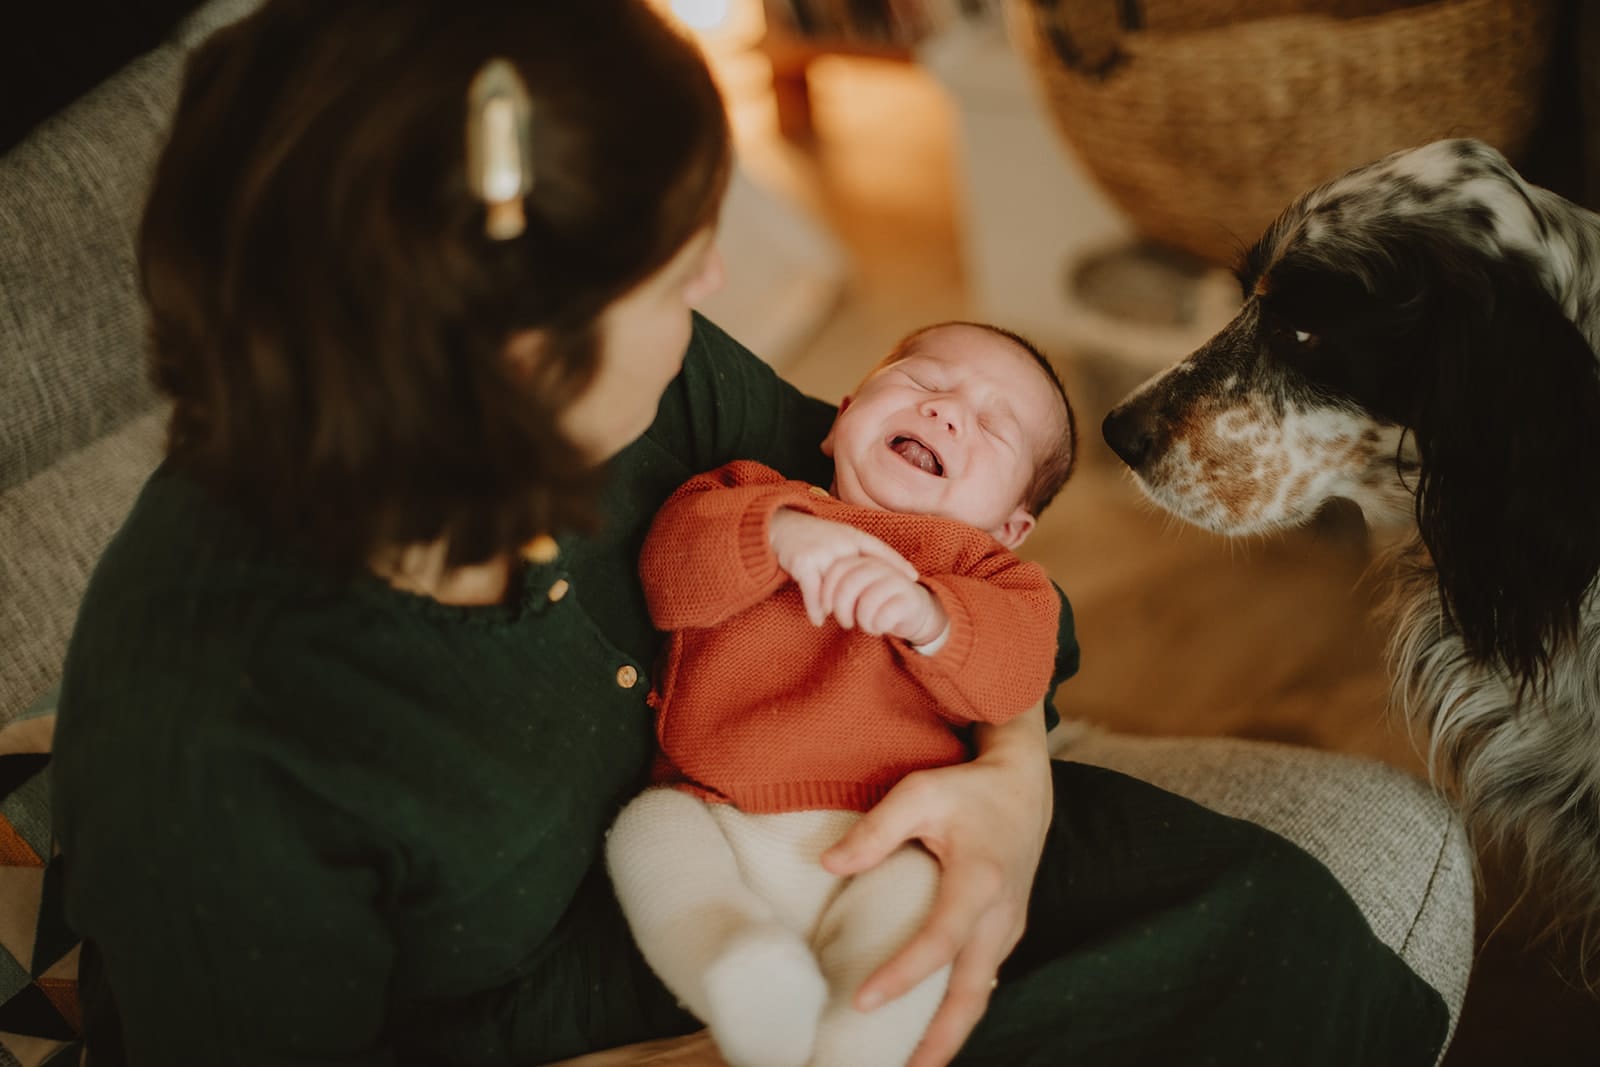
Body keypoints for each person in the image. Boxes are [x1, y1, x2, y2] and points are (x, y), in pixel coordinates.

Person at [49, 1, 1451, 1065]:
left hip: (828, 850)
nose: (717, 283)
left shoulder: (657, 391)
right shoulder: (218, 739)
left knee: (1272, 932)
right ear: (520, 359)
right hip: (578, 1005)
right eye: (676, 270)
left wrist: (1012, 787)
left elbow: (968, 570)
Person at [607, 322, 1073, 1067]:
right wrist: (783, 535)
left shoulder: (990, 579)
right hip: (711, 807)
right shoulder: (749, 494)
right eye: (923, 381)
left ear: (1012, 525)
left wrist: (930, 614)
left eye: (992, 425)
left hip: (886, 833)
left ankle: (852, 1046)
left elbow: (1017, 675)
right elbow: (671, 571)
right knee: (645, 837)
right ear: (841, 418)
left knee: (913, 930)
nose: (946, 410)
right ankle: (739, 965)